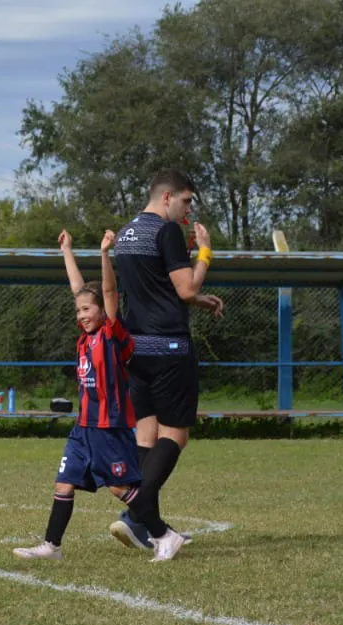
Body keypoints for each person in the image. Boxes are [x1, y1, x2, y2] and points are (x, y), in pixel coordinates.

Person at [13, 230, 175, 561]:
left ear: (103, 310)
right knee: (63, 483)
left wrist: (104, 253)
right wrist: (67, 251)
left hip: (109, 427)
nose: (82, 315)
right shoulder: (86, 336)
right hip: (83, 427)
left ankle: (164, 535)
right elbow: (79, 291)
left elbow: (108, 290)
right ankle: (52, 547)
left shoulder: (113, 335)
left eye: (88, 309)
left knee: (119, 488)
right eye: (79, 311)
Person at [107, 169, 224, 552]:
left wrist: (197, 301)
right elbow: (186, 286)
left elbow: (154, 289)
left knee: (146, 435)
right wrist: (205, 253)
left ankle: (142, 526)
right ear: (168, 197)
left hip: (134, 349)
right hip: (169, 348)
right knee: (176, 435)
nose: (188, 212)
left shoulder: (125, 234)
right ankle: (136, 511)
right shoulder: (166, 231)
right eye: (187, 201)